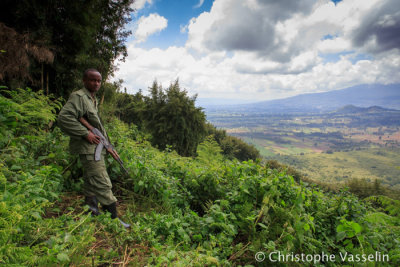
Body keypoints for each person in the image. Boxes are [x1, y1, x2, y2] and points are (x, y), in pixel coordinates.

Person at [58, 68, 130, 228]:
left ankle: (91, 211)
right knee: (103, 182)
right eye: (92, 80)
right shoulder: (79, 96)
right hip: (88, 148)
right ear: (84, 81)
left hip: (96, 147)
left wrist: (109, 146)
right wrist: (85, 134)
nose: (96, 83)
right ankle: (113, 220)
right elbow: (64, 117)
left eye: (98, 81)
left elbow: (98, 128)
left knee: (92, 181)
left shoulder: (91, 99)